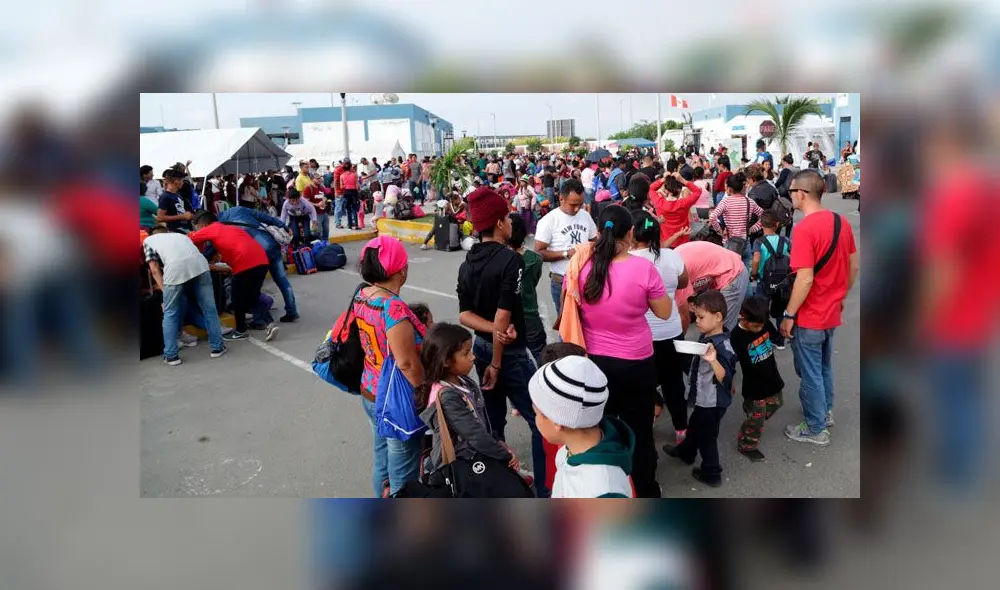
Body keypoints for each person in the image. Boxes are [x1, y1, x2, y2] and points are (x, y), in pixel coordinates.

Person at [575, 205, 673, 497]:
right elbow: (665, 312)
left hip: (595, 362)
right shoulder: (642, 268)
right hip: (635, 363)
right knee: (640, 432)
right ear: (630, 233)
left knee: (601, 426)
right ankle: (645, 489)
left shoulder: (583, 266)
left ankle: (609, 484)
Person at [457, 186, 548, 497]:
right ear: (498, 223)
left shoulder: (467, 263)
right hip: (507, 355)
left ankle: (500, 486)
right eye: (508, 216)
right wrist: (497, 358)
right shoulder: (512, 262)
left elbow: (465, 316)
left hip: (481, 348)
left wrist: (492, 333)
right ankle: (545, 491)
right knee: (541, 423)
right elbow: (502, 318)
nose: (512, 221)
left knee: (493, 424)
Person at [779, 170, 858, 446]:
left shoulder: (804, 230)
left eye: (791, 191)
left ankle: (815, 428)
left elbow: (805, 277)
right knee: (823, 367)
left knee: (810, 371)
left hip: (810, 314)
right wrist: (840, 294)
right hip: (831, 311)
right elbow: (854, 265)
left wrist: (789, 314)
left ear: (801, 194)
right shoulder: (841, 221)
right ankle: (824, 412)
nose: (790, 196)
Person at [352, 236, 427, 497]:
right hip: (396, 400)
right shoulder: (392, 306)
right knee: (403, 472)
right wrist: (424, 390)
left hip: (370, 391)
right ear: (401, 270)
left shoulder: (362, 296)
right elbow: (406, 362)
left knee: (381, 460)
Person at [417, 322, 519, 475]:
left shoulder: (463, 381)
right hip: (462, 465)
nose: (473, 357)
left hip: (475, 456)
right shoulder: (447, 396)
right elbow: (474, 435)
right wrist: (504, 455)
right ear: (446, 361)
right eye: (465, 353)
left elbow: (480, 419)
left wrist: (496, 440)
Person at [529, 356, 635, 498]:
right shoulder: (569, 450)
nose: (536, 419)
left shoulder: (604, 491)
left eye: (537, 413)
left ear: (557, 421)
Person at [663, 289, 737, 488]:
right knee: (696, 425)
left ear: (718, 317)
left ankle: (711, 472)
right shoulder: (709, 337)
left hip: (713, 402)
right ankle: (686, 452)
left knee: (707, 437)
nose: (698, 321)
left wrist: (713, 361)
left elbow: (727, 375)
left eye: (701, 317)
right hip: (705, 399)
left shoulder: (722, 346)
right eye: (696, 317)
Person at [629, 210, 690, 444]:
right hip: (671, 330)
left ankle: (646, 426)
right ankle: (681, 430)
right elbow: (684, 281)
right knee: (673, 382)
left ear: (632, 234)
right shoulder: (671, 256)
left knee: (643, 384)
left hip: (642, 336)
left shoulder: (629, 261)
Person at [189, 211, 278, 342]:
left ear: (202, 224)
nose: (196, 229)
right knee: (252, 296)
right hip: (261, 260)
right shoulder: (229, 228)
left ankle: (241, 330)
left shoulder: (211, 228)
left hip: (245, 263)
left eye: (196, 226)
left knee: (237, 299)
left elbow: (191, 238)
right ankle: (269, 323)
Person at [143, 226, 227, 365]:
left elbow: (154, 269)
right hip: (200, 266)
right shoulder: (180, 236)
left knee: (170, 313)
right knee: (209, 309)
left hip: (175, 269)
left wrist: (165, 291)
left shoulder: (148, 241)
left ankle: (171, 355)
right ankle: (217, 347)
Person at [216, 205, 299, 323]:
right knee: (282, 280)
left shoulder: (222, 224)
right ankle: (292, 311)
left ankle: (261, 320)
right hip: (272, 244)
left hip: (258, 253)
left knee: (255, 287)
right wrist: (283, 225)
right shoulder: (240, 209)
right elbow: (265, 217)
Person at [533, 179, 598, 318]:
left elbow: (595, 241)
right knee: (567, 327)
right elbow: (539, 253)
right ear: (561, 198)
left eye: (580, 205)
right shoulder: (548, 221)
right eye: (573, 205)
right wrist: (566, 254)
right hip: (562, 282)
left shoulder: (585, 216)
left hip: (587, 281)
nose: (577, 209)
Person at [730, 297, 785, 462]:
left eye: (762, 325)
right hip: (754, 385)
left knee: (777, 402)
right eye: (755, 326)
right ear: (743, 318)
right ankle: (747, 444)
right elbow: (730, 361)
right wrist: (729, 381)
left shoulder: (764, 323)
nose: (760, 328)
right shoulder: (737, 336)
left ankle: (753, 415)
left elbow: (775, 336)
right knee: (757, 416)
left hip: (772, 377)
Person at [674, 240, 750, 332]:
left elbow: (684, 318)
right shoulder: (670, 262)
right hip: (723, 267)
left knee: (720, 328)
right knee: (710, 326)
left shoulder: (676, 274)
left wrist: (678, 342)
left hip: (733, 273)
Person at [508, 214, 546, 363]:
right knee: (541, 354)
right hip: (530, 313)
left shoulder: (502, 259)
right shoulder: (535, 259)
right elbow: (534, 281)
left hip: (508, 316)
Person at [749, 210, 790, 348]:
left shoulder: (758, 242)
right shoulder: (785, 241)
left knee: (762, 310)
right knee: (779, 309)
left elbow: (756, 260)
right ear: (777, 224)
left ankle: (766, 337)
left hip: (763, 281)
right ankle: (781, 338)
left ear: (761, 224)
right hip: (782, 282)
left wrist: (754, 273)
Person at [710, 172, 764, 267]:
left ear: (729, 189)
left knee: (731, 271)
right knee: (745, 270)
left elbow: (713, 217)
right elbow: (763, 215)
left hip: (730, 242)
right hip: (745, 242)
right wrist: (752, 229)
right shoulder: (749, 202)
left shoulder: (725, 201)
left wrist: (719, 231)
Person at [648, 170, 703, 247]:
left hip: (665, 242)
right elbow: (698, 191)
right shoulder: (684, 203)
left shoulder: (659, 203)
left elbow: (651, 188)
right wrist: (682, 180)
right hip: (683, 241)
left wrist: (663, 179)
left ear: (666, 190)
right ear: (680, 190)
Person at [156, 168, 194, 233]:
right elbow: (160, 218)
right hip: (174, 232)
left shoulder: (178, 194)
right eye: (181, 180)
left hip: (184, 229)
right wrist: (182, 216)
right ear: (176, 181)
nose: (182, 183)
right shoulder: (165, 197)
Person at [341, 162, 361, 230]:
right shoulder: (354, 175)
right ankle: (356, 225)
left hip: (346, 193)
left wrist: (346, 185)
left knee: (348, 210)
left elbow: (341, 187)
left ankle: (349, 225)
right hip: (354, 193)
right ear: (350, 167)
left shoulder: (342, 176)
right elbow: (357, 186)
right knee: (354, 209)